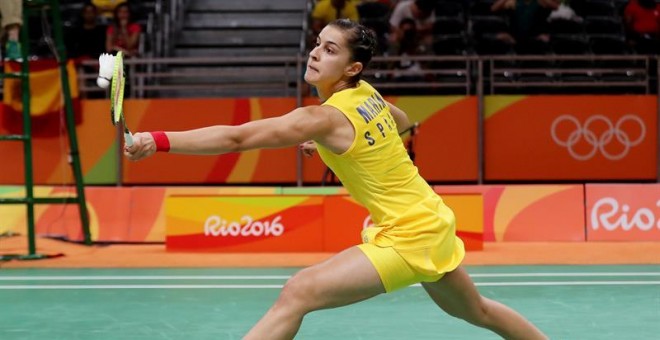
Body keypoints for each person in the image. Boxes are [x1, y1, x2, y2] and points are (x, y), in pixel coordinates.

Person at [124, 19, 548, 340]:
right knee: (477, 313)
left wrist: (157, 139)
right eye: (317, 44)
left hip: (410, 233)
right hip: (429, 217)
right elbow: (401, 122)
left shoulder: (323, 117)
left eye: (329, 50)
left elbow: (237, 137)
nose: (315, 54)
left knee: (299, 291)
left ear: (351, 67)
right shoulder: (367, 94)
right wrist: (333, 147)